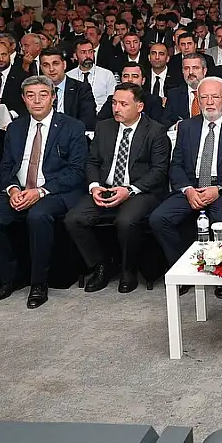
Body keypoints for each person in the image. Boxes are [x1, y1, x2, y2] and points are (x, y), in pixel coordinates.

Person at [0, 75, 89, 309]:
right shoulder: (15, 128)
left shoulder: (72, 126)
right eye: (31, 95)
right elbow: (5, 167)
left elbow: (76, 171)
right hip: (19, 190)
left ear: (53, 97)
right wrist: (12, 189)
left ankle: (39, 283)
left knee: (38, 216)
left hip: (55, 191)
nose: (37, 101)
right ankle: (10, 278)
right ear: (23, 99)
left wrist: (40, 192)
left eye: (43, 95)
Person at [149, 78, 222, 293]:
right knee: (158, 219)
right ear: (197, 100)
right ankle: (184, 268)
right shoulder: (187, 127)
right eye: (204, 97)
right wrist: (188, 190)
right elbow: (176, 165)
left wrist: (219, 189)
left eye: (215, 96)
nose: (209, 102)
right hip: (192, 187)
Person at [65, 83, 170, 294]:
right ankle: (102, 265)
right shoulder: (104, 127)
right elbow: (92, 161)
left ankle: (128, 269)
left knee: (126, 221)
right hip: (106, 187)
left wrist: (129, 190)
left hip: (140, 191)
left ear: (139, 107)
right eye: (114, 103)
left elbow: (159, 171)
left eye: (123, 104)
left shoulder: (156, 131)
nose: (116, 109)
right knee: (73, 219)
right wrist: (95, 186)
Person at [40, 46, 97, 131]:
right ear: (41, 68)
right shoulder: (36, 91)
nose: (51, 69)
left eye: (55, 63)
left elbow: (88, 121)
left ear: (64, 65)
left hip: (72, 135)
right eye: (46, 65)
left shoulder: (81, 89)